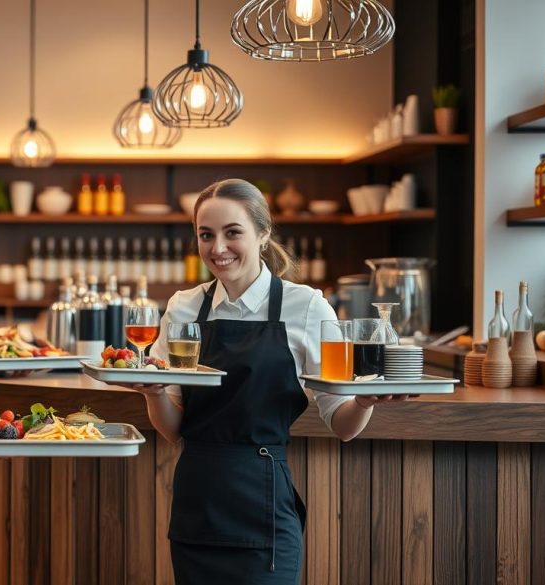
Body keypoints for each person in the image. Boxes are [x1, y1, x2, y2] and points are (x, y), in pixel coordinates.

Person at [136, 179, 404, 584]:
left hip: (263, 511)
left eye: (232, 232)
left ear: (263, 234)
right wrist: (154, 393)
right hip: (196, 508)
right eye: (206, 235)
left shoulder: (308, 307)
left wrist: (364, 400)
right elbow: (173, 430)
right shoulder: (184, 307)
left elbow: (342, 426)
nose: (217, 248)